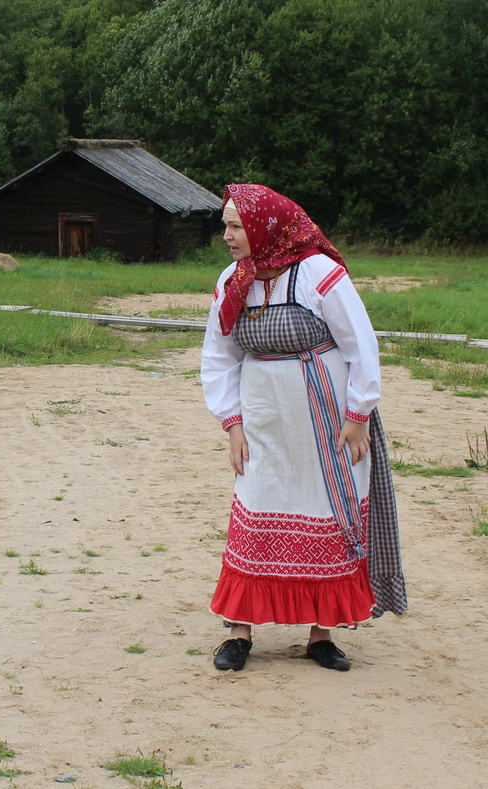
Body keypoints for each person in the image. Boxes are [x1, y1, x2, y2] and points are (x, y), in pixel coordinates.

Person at [200, 184, 406, 672]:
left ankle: (321, 635)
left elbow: (361, 345)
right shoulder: (233, 280)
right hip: (264, 421)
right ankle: (239, 632)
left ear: (264, 225)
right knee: (257, 507)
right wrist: (232, 424)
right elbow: (218, 356)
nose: (225, 235)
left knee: (326, 511)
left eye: (234, 225)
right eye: (225, 224)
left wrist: (357, 417)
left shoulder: (317, 273)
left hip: (326, 419)